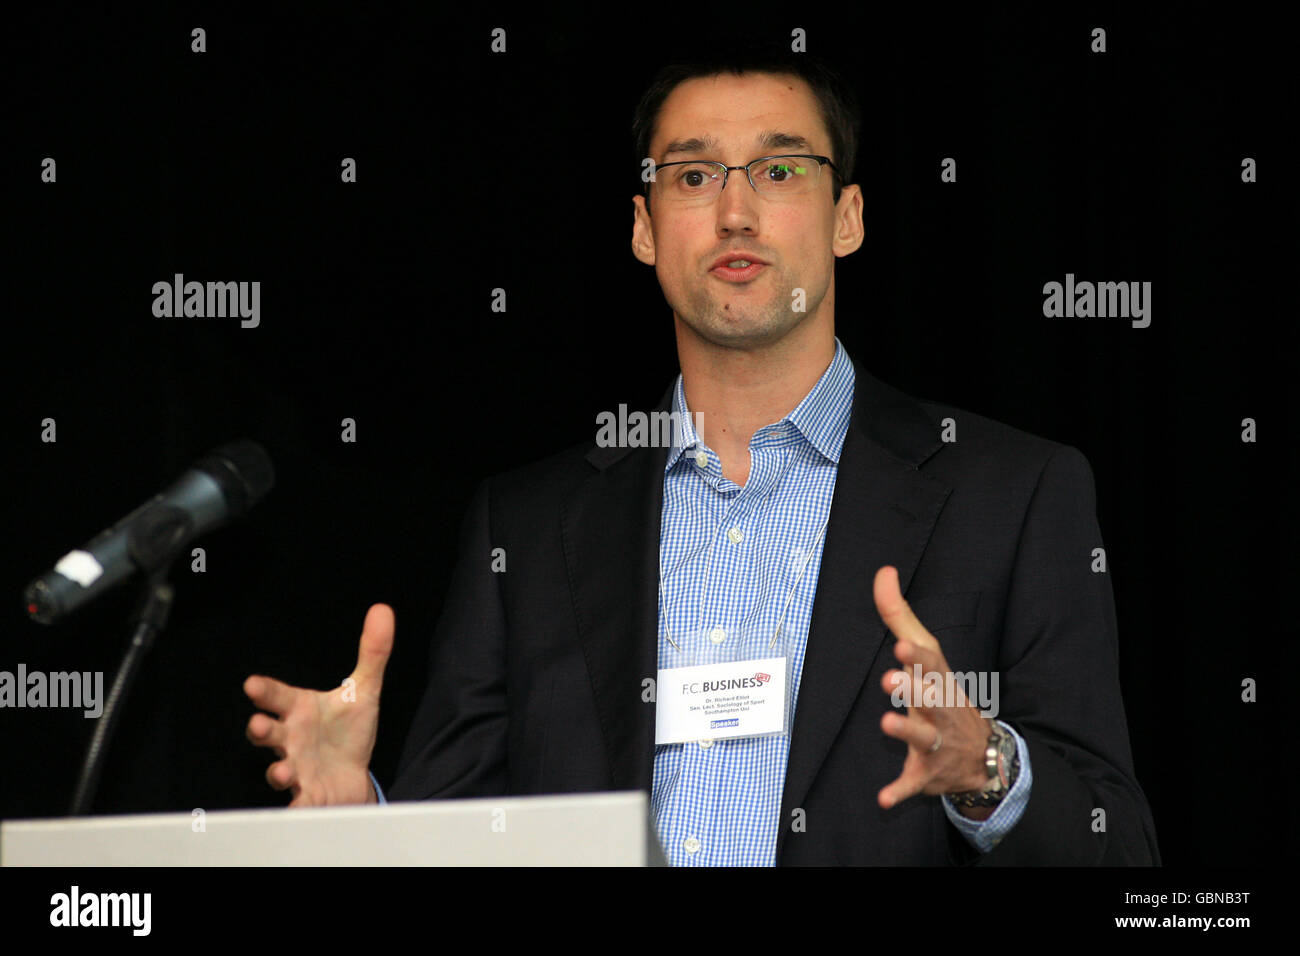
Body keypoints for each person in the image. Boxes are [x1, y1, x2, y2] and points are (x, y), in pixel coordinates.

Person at [244, 52, 1159, 866]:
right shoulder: (524, 528)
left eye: (778, 168)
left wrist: (986, 770)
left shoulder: (1012, 493)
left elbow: (1119, 849)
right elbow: (461, 841)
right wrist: (357, 821)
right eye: (692, 177)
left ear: (848, 217)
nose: (733, 211)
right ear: (644, 230)